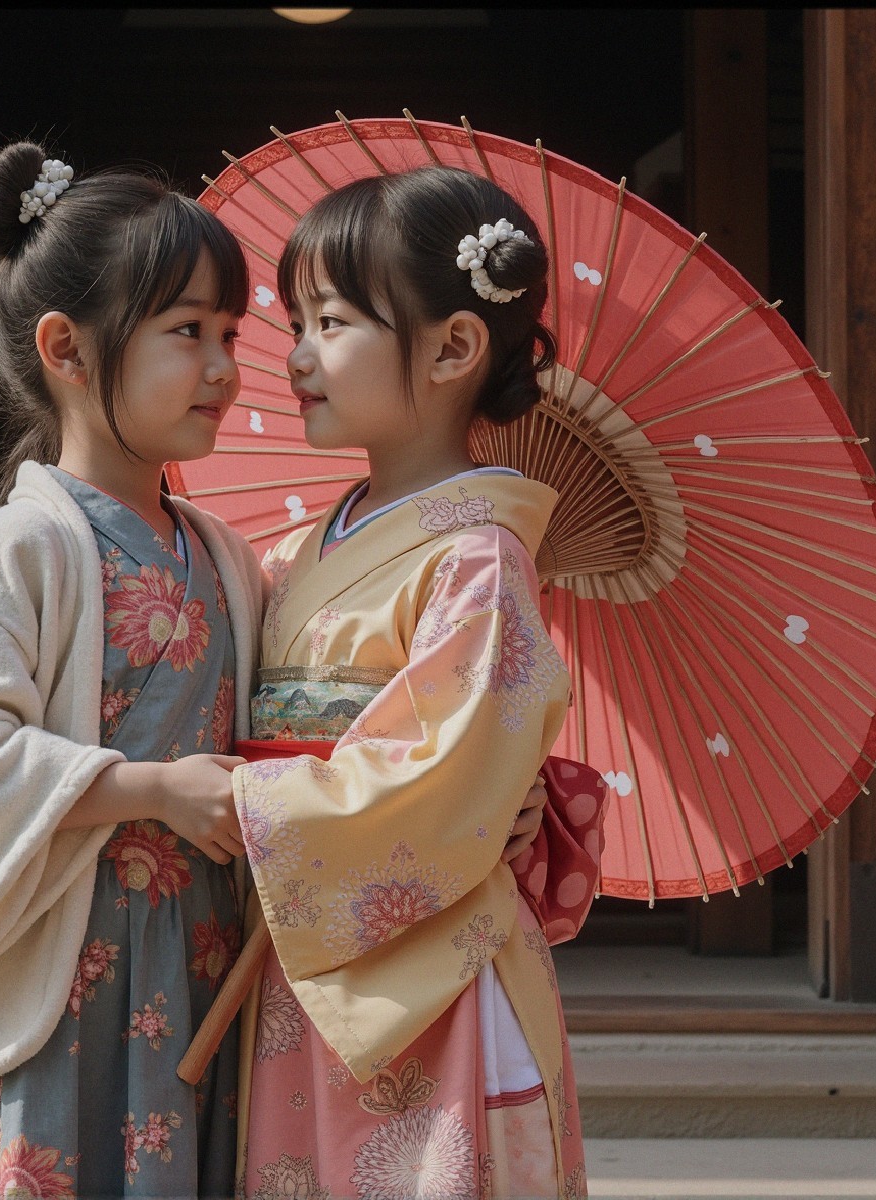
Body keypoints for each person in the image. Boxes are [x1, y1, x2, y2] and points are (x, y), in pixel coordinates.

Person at [0, 143, 551, 1199]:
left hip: (200, 961)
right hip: (62, 967)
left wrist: (491, 793)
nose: (230, 366)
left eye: (229, 333)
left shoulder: (226, 556)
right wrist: (151, 788)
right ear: (68, 349)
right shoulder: (21, 550)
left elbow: (368, 735)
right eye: (187, 335)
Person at [231, 166, 588, 1198]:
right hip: (311, 944)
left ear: (452, 346)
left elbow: (437, 782)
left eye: (331, 321)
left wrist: (237, 797)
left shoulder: (477, 558)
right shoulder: (303, 548)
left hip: (432, 976)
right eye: (296, 321)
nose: (296, 355)